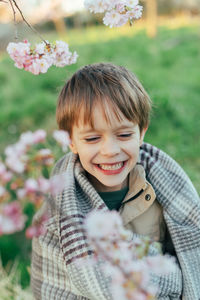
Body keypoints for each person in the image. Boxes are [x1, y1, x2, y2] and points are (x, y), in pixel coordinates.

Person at [31, 63, 200, 300]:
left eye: (124, 135)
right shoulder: (56, 218)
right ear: (71, 141)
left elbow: (188, 257)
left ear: (141, 132)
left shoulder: (165, 190)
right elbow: (53, 290)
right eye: (92, 138)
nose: (110, 150)